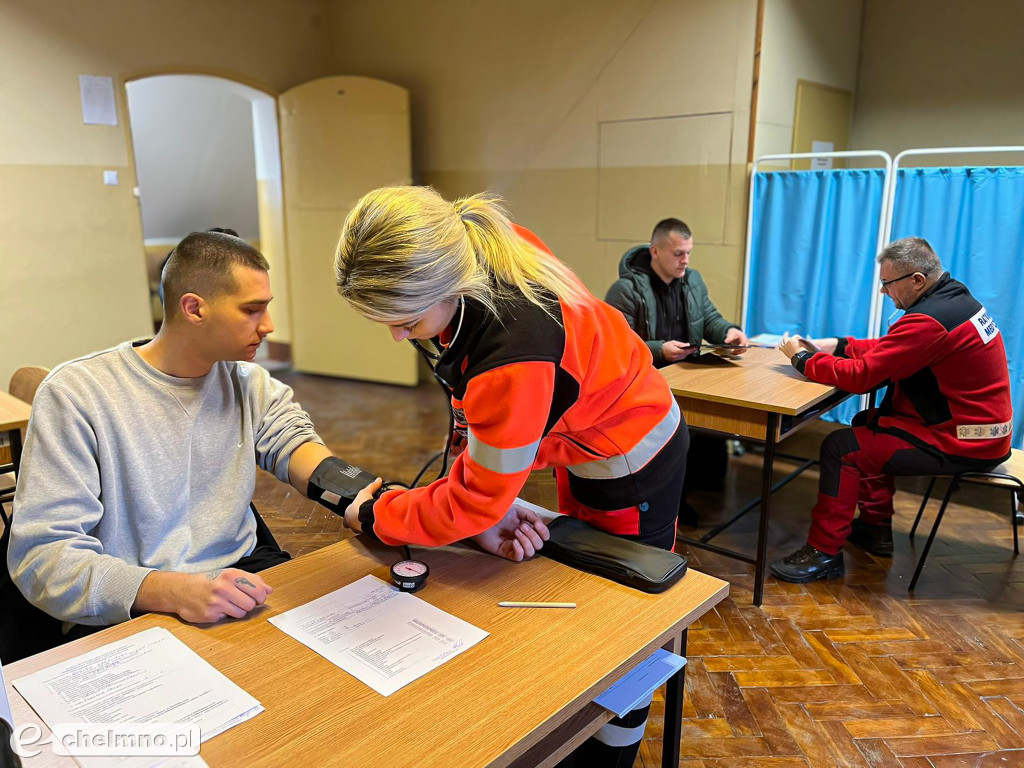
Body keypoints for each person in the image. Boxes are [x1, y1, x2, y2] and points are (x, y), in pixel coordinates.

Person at [3, 230, 540, 662]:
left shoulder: (250, 385)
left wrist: (457, 515)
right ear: (194, 308)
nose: (270, 324)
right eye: (252, 309)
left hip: (237, 585)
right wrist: (169, 590)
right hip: (133, 610)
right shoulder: (78, 395)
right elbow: (43, 560)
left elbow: (324, 473)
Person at [334, 186, 690, 768]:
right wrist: (488, 500)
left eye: (406, 320)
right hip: (588, 433)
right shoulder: (480, 246)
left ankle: (613, 752)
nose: (397, 337)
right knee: (583, 581)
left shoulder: (513, 351)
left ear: (445, 285)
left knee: (624, 617)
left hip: (632, 455)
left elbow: (473, 496)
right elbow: (477, 438)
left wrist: (379, 512)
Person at [770, 237, 1013, 583]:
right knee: (867, 422)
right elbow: (896, 349)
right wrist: (837, 345)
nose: (884, 292)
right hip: (979, 431)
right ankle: (874, 528)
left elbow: (864, 376)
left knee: (841, 448)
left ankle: (823, 554)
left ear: (916, 279)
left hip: (965, 442)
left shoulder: (930, 320)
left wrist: (803, 359)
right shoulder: (953, 298)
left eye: (887, 283)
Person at [605, 218, 750, 524]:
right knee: (677, 439)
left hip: (688, 375)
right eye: (678, 254)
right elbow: (618, 346)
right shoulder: (625, 290)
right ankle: (674, 505)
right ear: (655, 251)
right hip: (646, 382)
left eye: (688, 253)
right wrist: (660, 350)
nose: (685, 260)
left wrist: (729, 332)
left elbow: (709, 317)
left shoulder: (692, 280)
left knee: (713, 433)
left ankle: (699, 489)